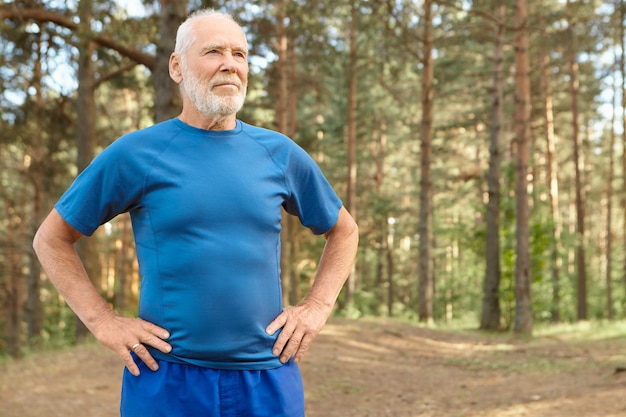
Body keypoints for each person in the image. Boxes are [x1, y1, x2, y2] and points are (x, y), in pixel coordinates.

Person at [33, 8, 358, 417]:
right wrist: (102, 321)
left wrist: (316, 307)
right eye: (214, 51)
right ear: (176, 66)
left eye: (240, 54)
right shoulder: (137, 153)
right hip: (167, 379)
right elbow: (51, 238)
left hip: (267, 376)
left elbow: (344, 230)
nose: (230, 64)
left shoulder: (279, 154)